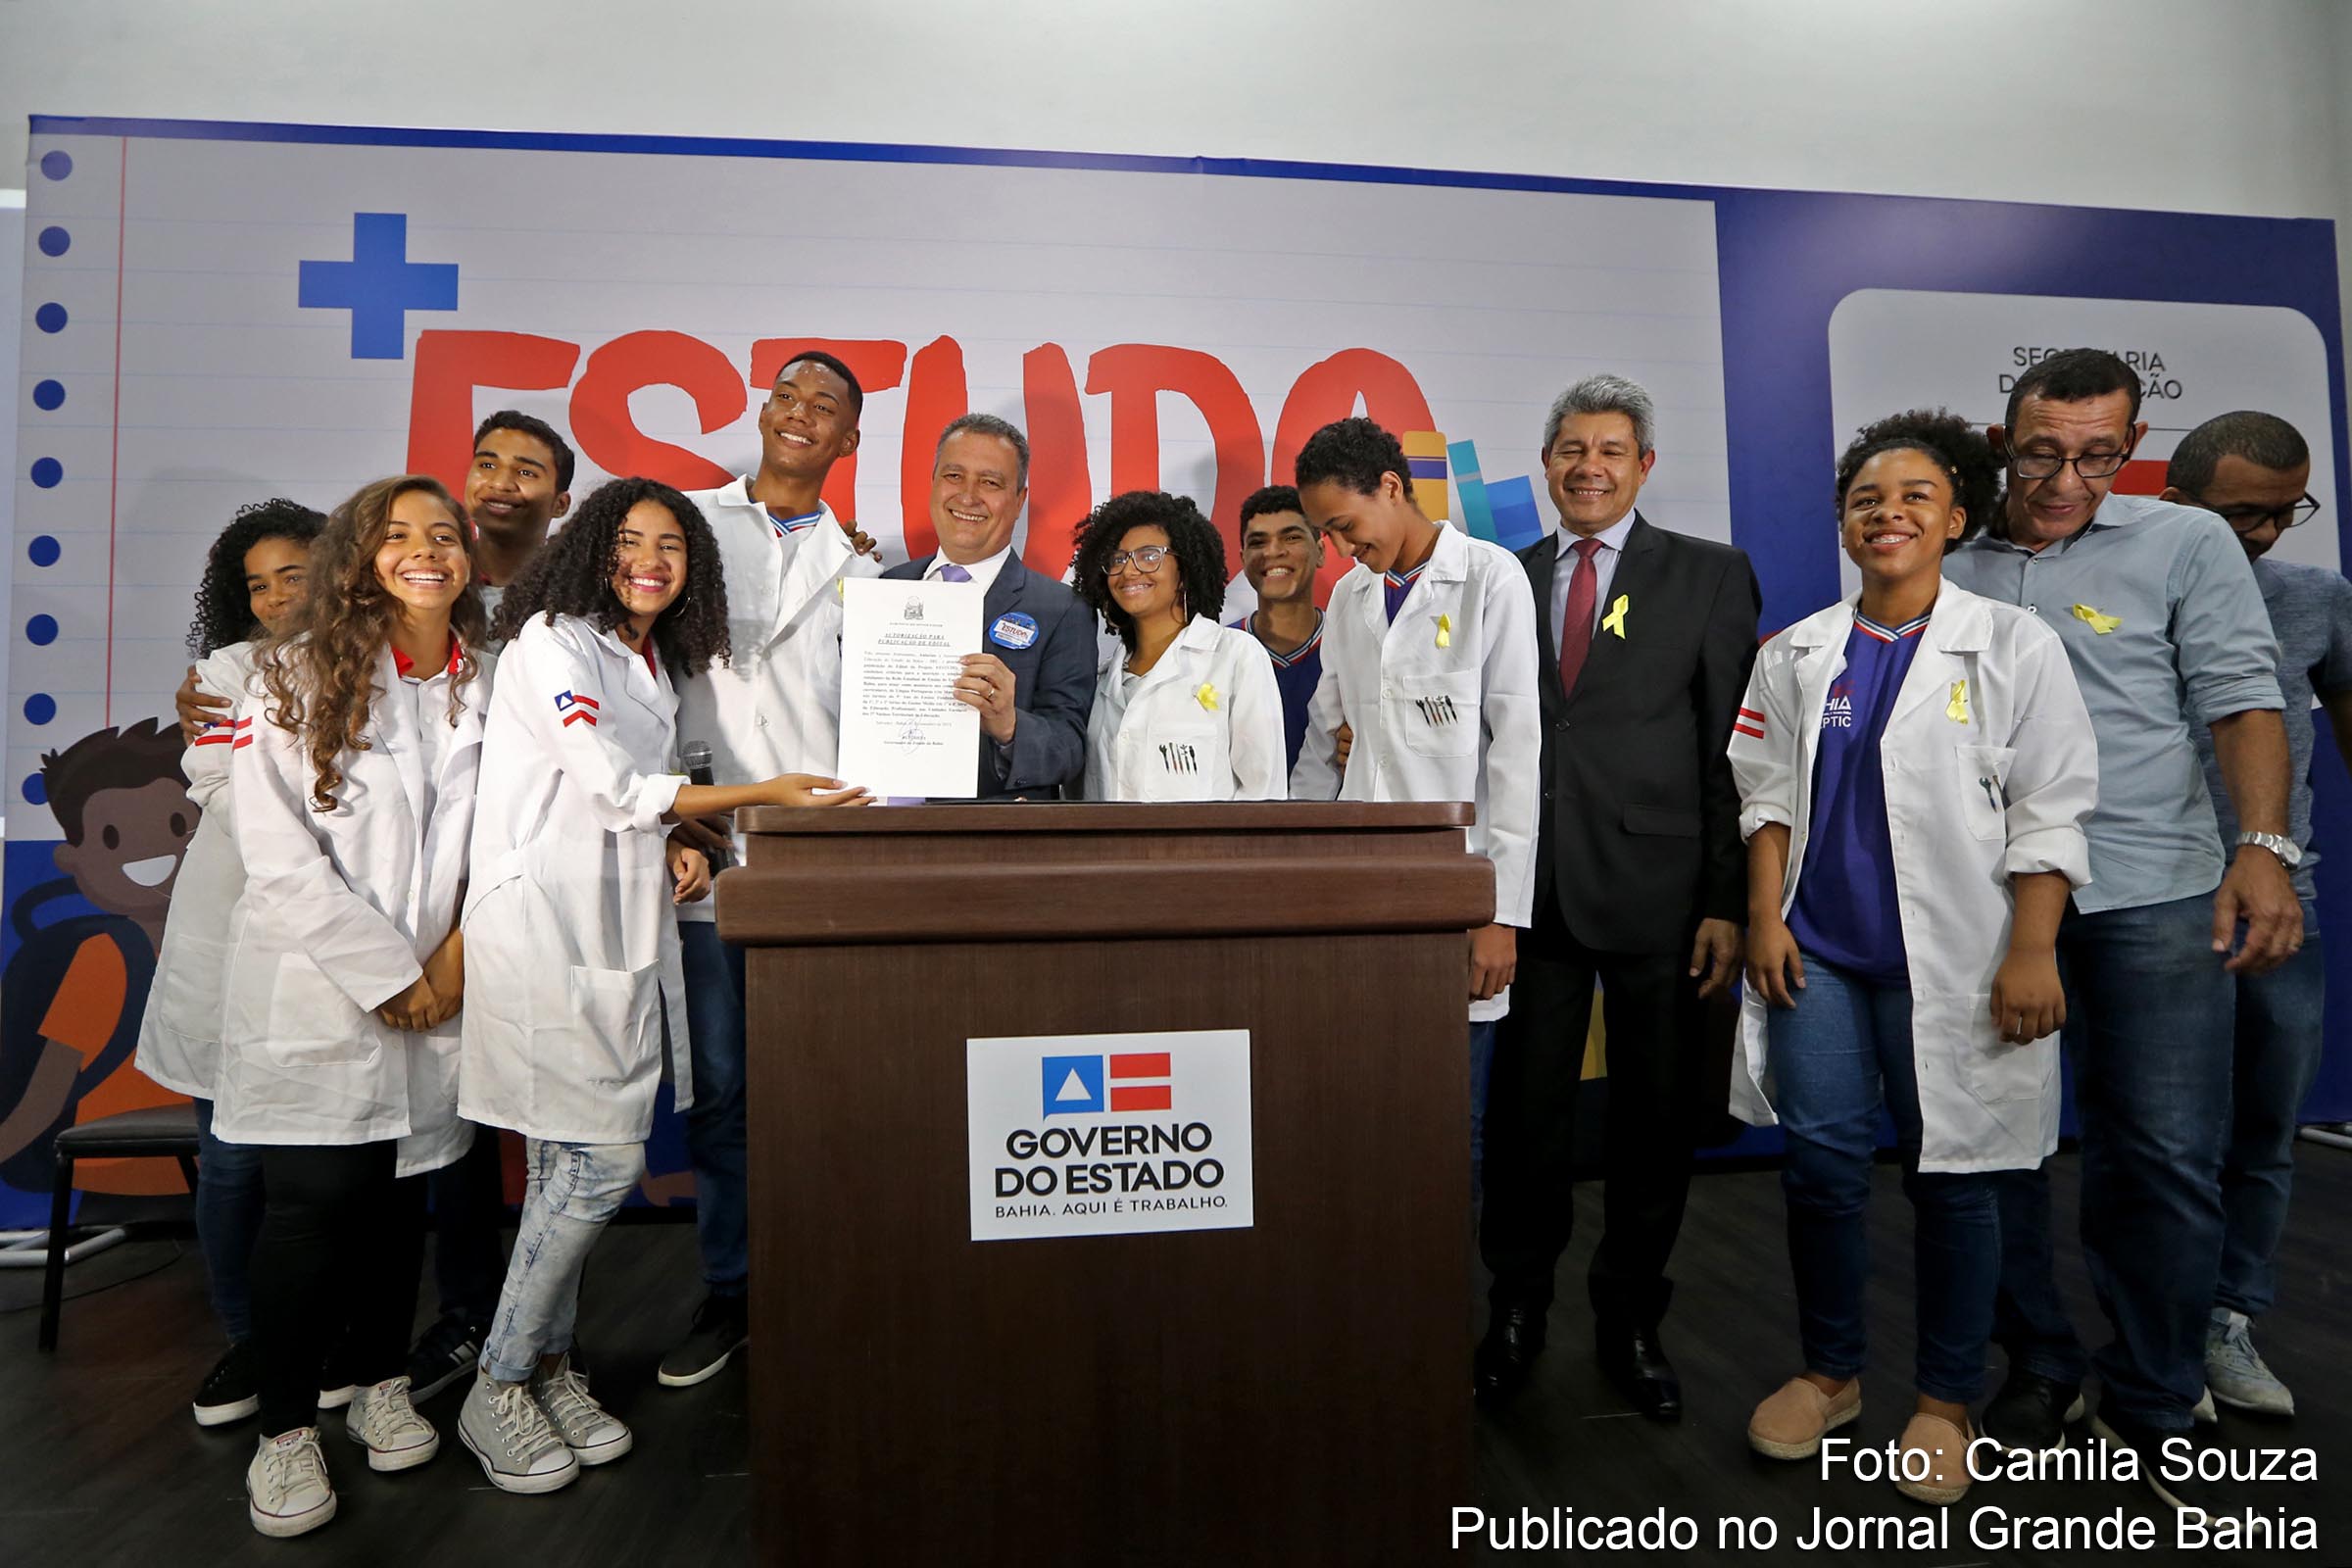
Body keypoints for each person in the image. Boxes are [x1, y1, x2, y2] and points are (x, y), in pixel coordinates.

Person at [457, 477, 868, 1493]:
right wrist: (758, 794)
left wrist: (681, 837)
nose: (652, 559)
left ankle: (549, 1364)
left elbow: (628, 801)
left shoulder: (641, 657)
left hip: (615, 918)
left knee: (566, 1167)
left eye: (673, 545)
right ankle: (498, 1381)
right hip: (546, 932)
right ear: (593, 547)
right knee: (596, 1169)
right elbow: (604, 782)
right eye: (632, 540)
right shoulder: (554, 640)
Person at [1940, 349, 2296, 1512]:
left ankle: (2150, 1395)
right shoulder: (1949, 551)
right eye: (2043, 453)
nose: (2066, 479)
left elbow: (2242, 697)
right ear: (2004, 443)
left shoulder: (2185, 545)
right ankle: (2040, 1362)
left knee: (2163, 1156)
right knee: (1997, 1153)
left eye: (2099, 455)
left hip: (2151, 888)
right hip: (1987, 899)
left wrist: (2261, 850)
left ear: (2132, 450)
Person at [1731, 411, 2096, 1505]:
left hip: (1962, 961)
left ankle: (1943, 1399)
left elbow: (2054, 807)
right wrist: (1762, 914)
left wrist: (2035, 946)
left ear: (1958, 517)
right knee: (1822, 1170)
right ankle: (1831, 1372)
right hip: (1823, 956)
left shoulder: (2013, 643)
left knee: (1962, 1180)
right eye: (1866, 500)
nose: (1887, 513)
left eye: (1915, 498)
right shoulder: (1795, 650)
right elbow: (1764, 793)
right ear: (1844, 522)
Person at [1474, 375, 1761, 1416]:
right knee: (1525, 1124)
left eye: (1610, 449)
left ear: (1643, 466)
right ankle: (1515, 1307)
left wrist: (1727, 900)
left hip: (1666, 893)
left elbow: (1733, 748)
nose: (1587, 466)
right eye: (1568, 449)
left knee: (1652, 1124)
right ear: (1546, 464)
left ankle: (1632, 1316)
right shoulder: (1502, 575)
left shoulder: (1711, 575)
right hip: (1530, 892)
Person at [217, 475, 492, 1538]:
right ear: (358, 558)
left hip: (442, 988)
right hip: (325, 992)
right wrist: (390, 975)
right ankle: (285, 1432)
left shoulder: (487, 682)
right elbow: (278, 857)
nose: (427, 552)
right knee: (311, 1209)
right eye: (398, 536)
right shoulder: (286, 678)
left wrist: (451, 966)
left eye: (444, 536)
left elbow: (504, 840)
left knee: (396, 1202)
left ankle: (376, 1376)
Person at [661, 352, 884, 1387]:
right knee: (723, 1094)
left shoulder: (872, 574)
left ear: (849, 441)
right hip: (709, 855)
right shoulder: (685, 529)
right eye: (787, 394)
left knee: (825, 1090)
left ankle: (826, 1285)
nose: (800, 414)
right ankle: (732, 1291)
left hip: (820, 868)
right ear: (763, 411)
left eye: (825, 406)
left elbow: (881, 734)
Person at [1289, 416, 1540, 1198]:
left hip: (1458, 902)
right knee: (1368, 1110)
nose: (1336, 549)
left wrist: (1498, 914)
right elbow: (1323, 743)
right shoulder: (1350, 601)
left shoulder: (1491, 578)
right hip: (1363, 896)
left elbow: (1517, 756)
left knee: (1448, 1120)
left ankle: (1440, 1313)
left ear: (1392, 488)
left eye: (1343, 526)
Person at [2163, 412, 2346, 1419]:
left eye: (2285, 513)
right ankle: (2159, 1334)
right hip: (2152, 904)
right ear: (2178, 500)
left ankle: (2229, 1317)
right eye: (2244, 514)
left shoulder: (2317, 601)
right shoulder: (2130, 589)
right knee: (2160, 1137)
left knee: (2265, 1131)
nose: (2267, 535)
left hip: (2284, 909)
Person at [132, 499, 324, 1428]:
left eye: (295, 573)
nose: (277, 596)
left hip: (329, 959)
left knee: (316, 1169)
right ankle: (249, 1336)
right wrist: (331, 842)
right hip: (232, 928)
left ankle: (313, 1337)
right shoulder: (225, 671)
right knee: (232, 1162)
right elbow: (217, 782)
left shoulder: (382, 668)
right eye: (258, 584)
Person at [405, 413, 582, 1400]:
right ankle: (469, 1316)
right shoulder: (424, 589)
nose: (503, 481)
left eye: (530, 469)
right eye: (488, 462)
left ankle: (552, 1333)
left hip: (547, 893)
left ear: (561, 498)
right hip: (431, 895)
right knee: (454, 1127)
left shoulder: (584, 603)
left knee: (561, 1123)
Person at [881, 413, 1097, 801]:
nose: (968, 495)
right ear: (932, 484)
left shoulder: (1061, 610)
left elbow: (1070, 749)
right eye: (953, 476)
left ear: (1019, 501)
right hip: (873, 835)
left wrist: (1009, 724)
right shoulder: (886, 587)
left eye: (990, 482)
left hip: (984, 845)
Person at [1070, 490, 1285, 802]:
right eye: (1117, 559)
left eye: (1149, 555)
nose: (1129, 570)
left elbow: (1264, 794)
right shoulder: (1101, 681)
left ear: (1184, 570)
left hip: (1206, 851)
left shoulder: (1236, 657)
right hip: (1110, 852)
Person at [1231, 484, 1327, 775]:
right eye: (1258, 542)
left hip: (1339, 817)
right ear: (1242, 558)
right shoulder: (1221, 652)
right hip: (1242, 819)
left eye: (1291, 537)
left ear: (1320, 550)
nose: (1273, 552)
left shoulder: (1353, 643)